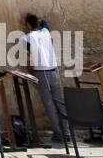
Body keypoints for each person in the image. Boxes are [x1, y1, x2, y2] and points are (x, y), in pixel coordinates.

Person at [21, 13, 71, 147]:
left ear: (27, 23)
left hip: (41, 71)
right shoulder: (45, 32)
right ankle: (67, 132)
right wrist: (38, 20)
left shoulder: (27, 37)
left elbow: (27, 55)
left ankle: (59, 134)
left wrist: (30, 70)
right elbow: (44, 22)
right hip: (53, 70)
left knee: (48, 104)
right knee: (59, 102)